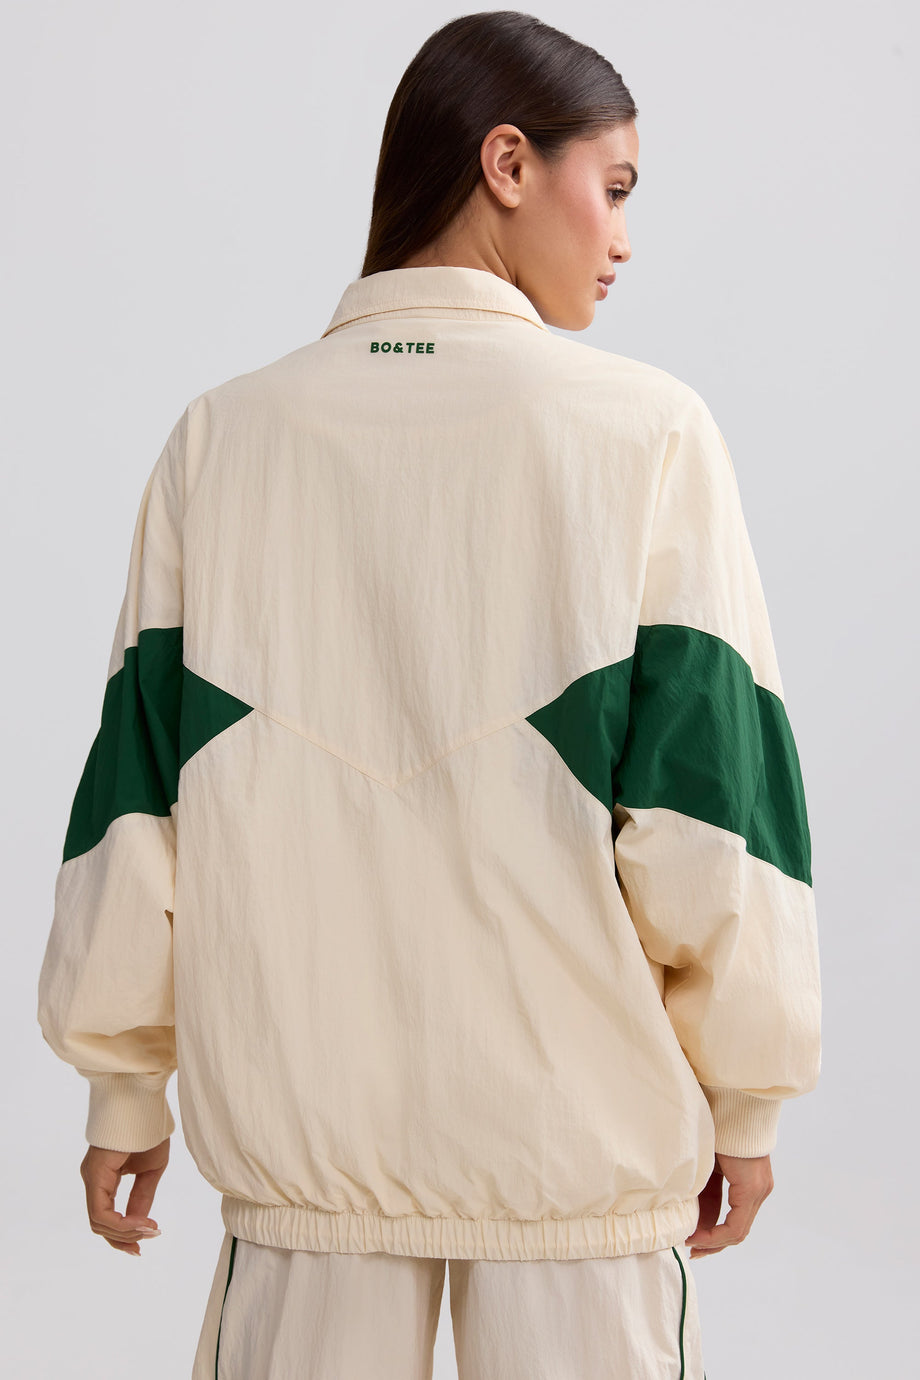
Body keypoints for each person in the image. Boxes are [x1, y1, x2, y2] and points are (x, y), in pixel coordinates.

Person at [36, 11, 822, 1379]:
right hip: (577, 1168)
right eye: (614, 188)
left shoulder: (223, 437)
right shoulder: (648, 434)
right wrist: (747, 1098)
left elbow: (136, 803)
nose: (624, 240)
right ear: (508, 164)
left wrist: (125, 1085)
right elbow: (712, 817)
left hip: (302, 1163)